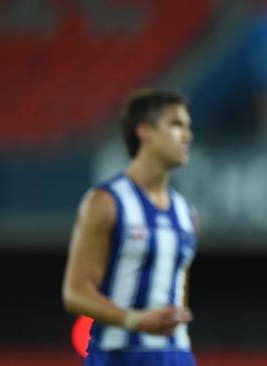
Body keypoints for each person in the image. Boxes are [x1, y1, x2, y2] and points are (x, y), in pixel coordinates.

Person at [62, 88, 198, 366]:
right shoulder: (106, 202)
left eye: (188, 126)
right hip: (118, 355)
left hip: (176, 355)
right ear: (144, 131)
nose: (187, 135)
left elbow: (177, 294)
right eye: (175, 124)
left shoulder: (187, 213)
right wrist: (135, 320)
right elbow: (75, 293)